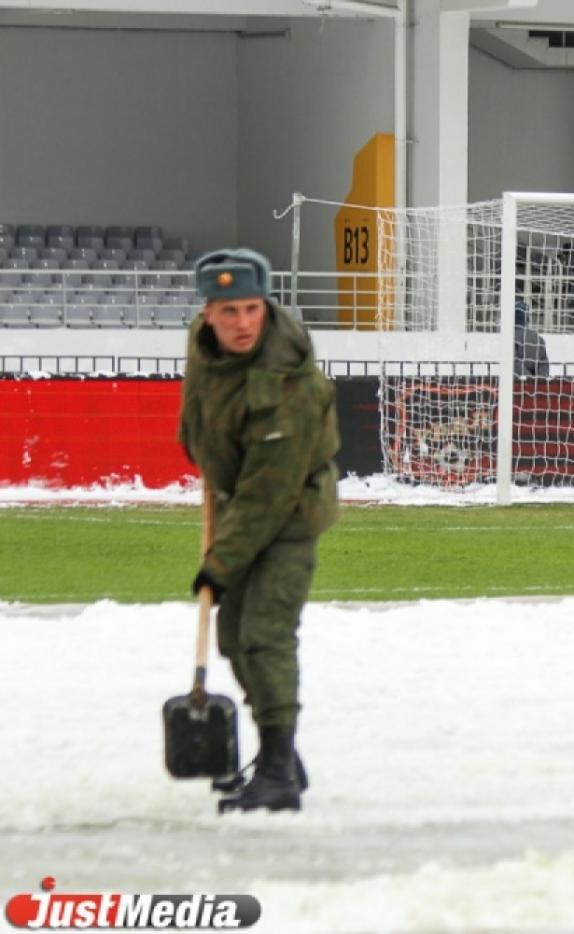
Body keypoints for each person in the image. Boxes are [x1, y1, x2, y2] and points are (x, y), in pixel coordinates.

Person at [179, 248, 340, 814]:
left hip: (289, 514)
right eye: (229, 311)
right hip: (241, 503)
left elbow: (269, 493)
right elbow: (199, 404)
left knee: (265, 635)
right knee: (232, 637)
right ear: (208, 313)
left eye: (252, 308)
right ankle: (283, 755)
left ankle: (277, 777)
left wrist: (219, 566)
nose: (243, 323)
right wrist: (201, 447)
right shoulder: (204, 344)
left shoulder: (285, 384)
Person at [514, 298, 550, 377]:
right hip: (535, 382)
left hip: (517, 381)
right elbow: (543, 367)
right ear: (527, 319)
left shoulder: (511, 337)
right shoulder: (539, 339)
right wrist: (536, 380)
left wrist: (528, 377)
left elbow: (515, 364)